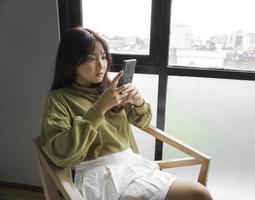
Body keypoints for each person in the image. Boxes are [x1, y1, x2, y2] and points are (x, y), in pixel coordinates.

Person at [41, 26, 212, 200]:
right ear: (71, 61)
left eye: (103, 57)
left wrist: (138, 103)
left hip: (134, 167)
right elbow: (61, 155)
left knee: (200, 194)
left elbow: (144, 122)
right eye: (90, 58)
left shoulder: (110, 89)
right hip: (98, 178)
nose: (101, 65)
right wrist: (99, 108)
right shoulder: (59, 98)